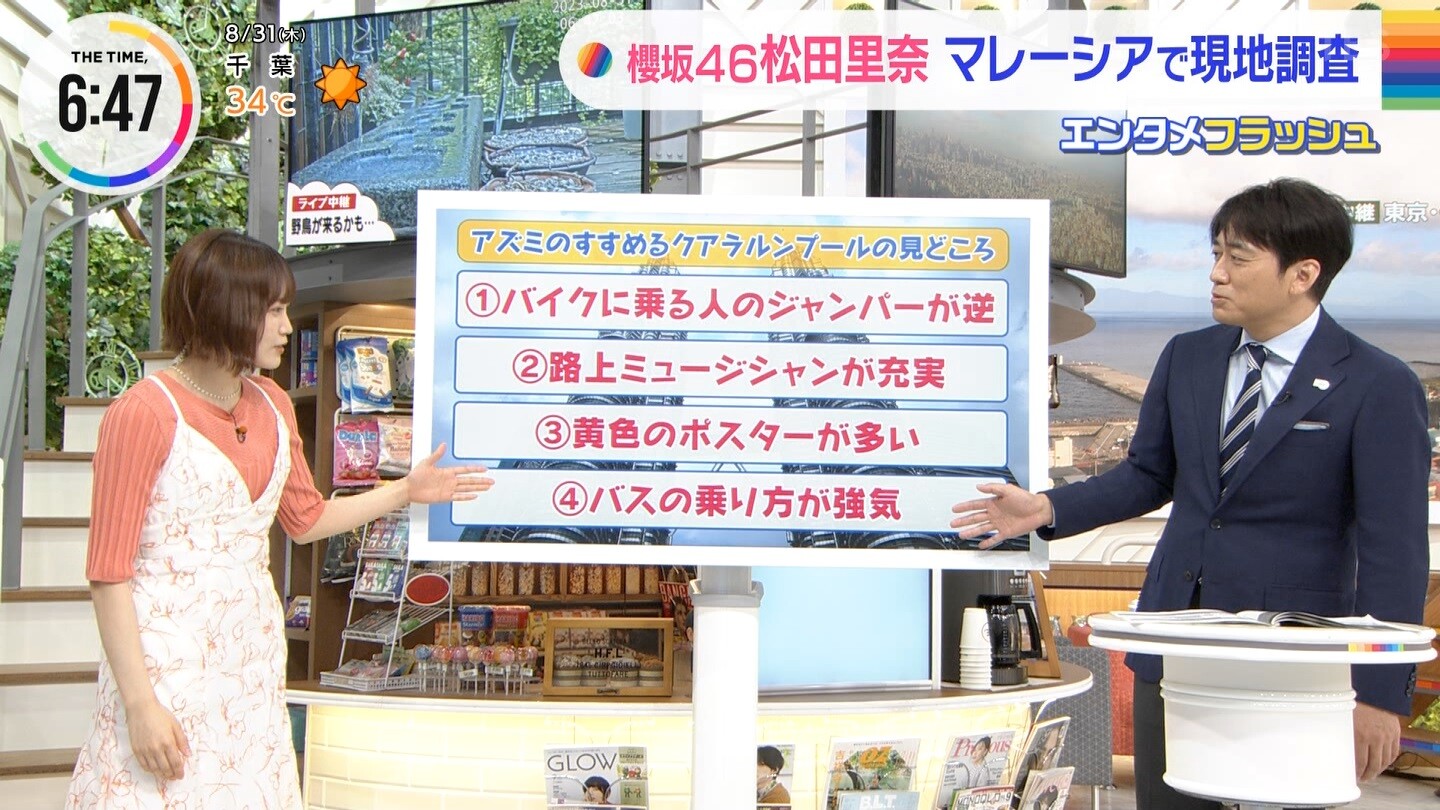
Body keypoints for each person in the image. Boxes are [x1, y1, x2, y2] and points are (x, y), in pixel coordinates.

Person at [950, 178, 1430, 809]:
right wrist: (1046, 507)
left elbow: (1395, 550)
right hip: (1173, 645)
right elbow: (1148, 475)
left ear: (1303, 274)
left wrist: (1378, 695)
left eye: (1238, 257)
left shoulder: (1377, 383)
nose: (1217, 273)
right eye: (1216, 253)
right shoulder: (1188, 357)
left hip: (1291, 662)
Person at [66, 229, 494, 808]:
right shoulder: (143, 412)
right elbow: (108, 574)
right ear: (226, 308)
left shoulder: (272, 403)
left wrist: (405, 491)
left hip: (251, 660)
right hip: (164, 665)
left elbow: (305, 518)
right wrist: (140, 705)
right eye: (272, 311)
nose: (287, 327)